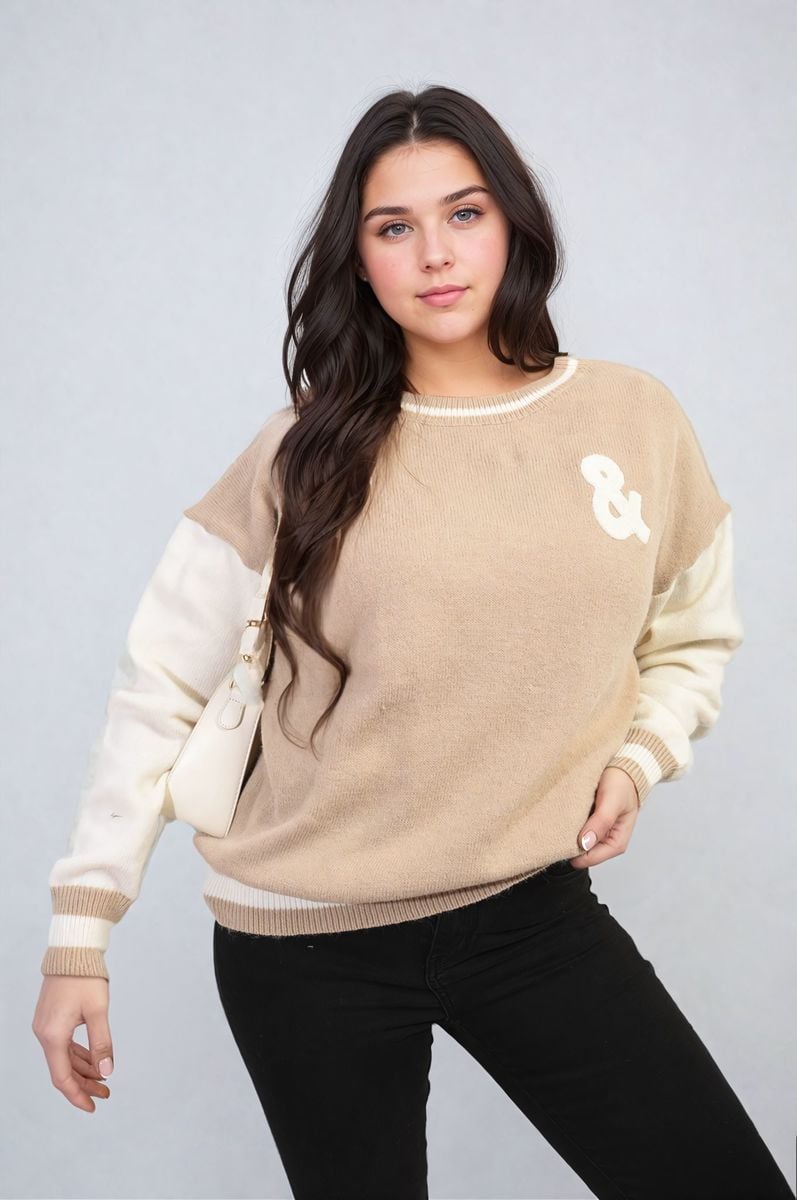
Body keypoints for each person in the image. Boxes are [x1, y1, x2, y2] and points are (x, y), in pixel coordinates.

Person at [32, 84, 794, 1200]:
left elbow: (690, 633)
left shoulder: (631, 418)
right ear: (358, 259)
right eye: (394, 227)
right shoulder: (299, 455)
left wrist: (639, 757)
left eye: (464, 214)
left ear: (513, 224)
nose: (435, 254)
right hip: (303, 944)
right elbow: (161, 688)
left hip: (526, 912)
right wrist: (79, 938)